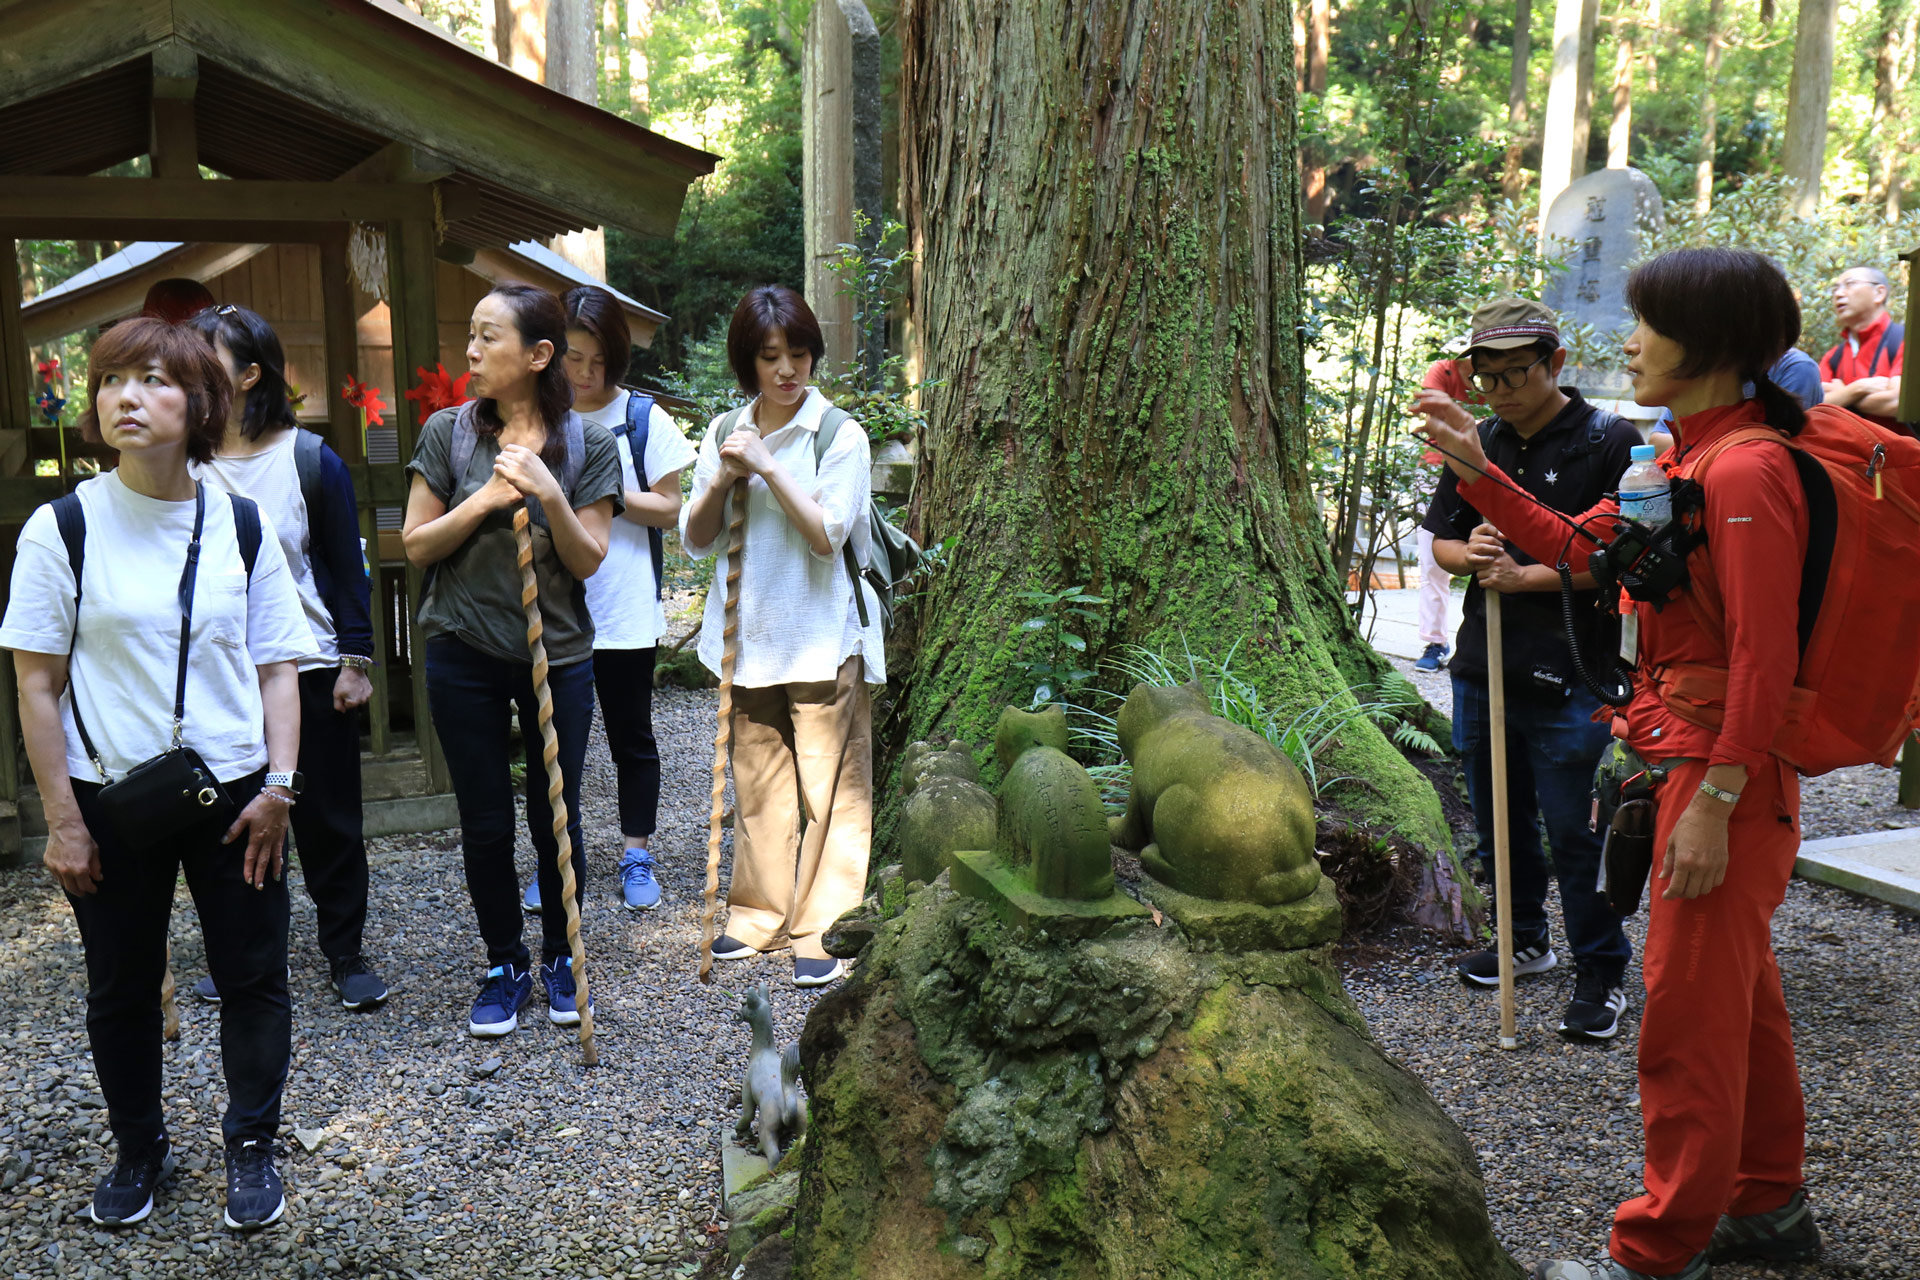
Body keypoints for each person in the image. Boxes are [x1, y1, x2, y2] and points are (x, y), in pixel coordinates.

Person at [1416, 249, 1820, 1280]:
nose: (1629, 342)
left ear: (1711, 344)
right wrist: (1475, 465)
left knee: (1684, 1016)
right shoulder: (1681, 460)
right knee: (1743, 996)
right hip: (1679, 752)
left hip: (1719, 771)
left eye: (1647, 325)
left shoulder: (1743, 472)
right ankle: (1766, 1203)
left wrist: (1716, 798)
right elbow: (1573, 545)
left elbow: (1764, 659)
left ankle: (1655, 1247)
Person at [0, 318, 314, 1231]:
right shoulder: (62, 527)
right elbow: (34, 680)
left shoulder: (239, 521)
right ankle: (139, 1146)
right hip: (110, 799)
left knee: (253, 974)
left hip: (237, 794)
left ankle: (251, 1142)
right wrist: (62, 819)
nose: (124, 398)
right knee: (122, 984)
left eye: (151, 380)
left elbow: (277, 667)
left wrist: (281, 788)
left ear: (203, 402)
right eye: (110, 381)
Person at [402, 283, 623, 1038]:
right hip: (461, 649)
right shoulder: (450, 433)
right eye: (471, 335)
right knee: (486, 819)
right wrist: (487, 500)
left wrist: (549, 494)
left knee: (554, 815)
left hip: (557, 654)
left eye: (487, 338)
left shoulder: (589, 442)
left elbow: (590, 559)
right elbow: (416, 544)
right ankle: (504, 961)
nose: (471, 351)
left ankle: (563, 955)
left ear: (537, 355)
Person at [1419, 298, 1640, 1041]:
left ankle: (1601, 968)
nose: (1505, 389)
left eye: (1519, 372)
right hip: (1484, 663)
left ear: (1555, 364)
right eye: (1490, 376)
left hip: (1574, 668)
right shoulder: (1476, 440)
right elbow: (1444, 542)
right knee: (1496, 816)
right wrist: (1473, 559)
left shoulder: (1611, 442)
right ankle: (1523, 941)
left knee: (1575, 830)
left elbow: (1620, 562)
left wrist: (1528, 578)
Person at [184, 303, 386, 1011]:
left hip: (307, 662)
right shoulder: (185, 464)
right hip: (220, 673)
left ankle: (345, 952)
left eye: (207, 358)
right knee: (234, 818)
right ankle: (245, 955)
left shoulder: (308, 458)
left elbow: (343, 564)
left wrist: (355, 662)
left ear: (248, 374)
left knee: (328, 818)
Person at [681, 285, 882, 988]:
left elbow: (828, 535)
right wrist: (724, 477)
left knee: (831, 790)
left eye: (798, 353)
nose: (788, 370)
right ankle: (759, 912)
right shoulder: (723, 431)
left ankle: (823, 923)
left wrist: (767, 467)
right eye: (771, 357)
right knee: (760, 786)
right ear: (749, 362)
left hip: (823, 639)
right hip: (748, 641)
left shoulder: (838, 435)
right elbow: (696, 540)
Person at [558, 284, 696, 912]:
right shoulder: (538, 417)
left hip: (625, 613)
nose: (585, 374)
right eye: (572, 358)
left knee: (631, 738)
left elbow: (670, 509)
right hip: (556, 614)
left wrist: (607, 494)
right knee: (556, 745)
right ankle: (560, 859)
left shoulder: (643, 419)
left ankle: (636, 853)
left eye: (598, 360)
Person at [1413, 342, 1479, 671]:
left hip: (1485, 472)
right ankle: (1434, 641)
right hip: (1436, 470)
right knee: (1431, 561)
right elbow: (1432, 410)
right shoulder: (1443, 370)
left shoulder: (1495, 380)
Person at [1818, 265, 1902, 428]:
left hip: (1901, 450)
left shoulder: (1904, 341)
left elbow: (1897, 401)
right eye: (1835, 288)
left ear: (1879, 293)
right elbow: (1817, 405)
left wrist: (1841, 395)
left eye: (1850, 284)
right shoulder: (1833, 356)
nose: (1838, 294)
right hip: (1846, 449)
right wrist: (1857, 389)